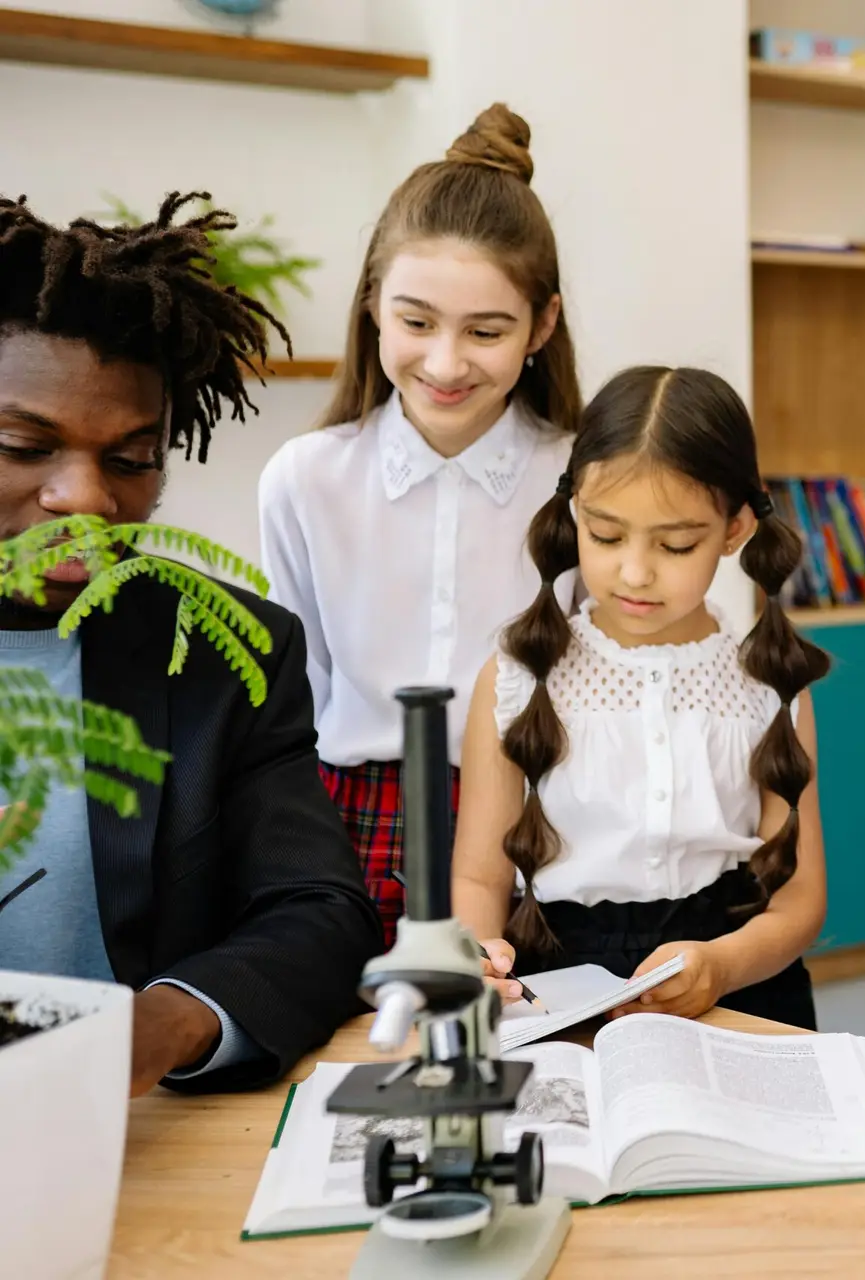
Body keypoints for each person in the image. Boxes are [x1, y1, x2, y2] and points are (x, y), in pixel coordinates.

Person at [0, 193, 382, 1094]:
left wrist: (166, 1022)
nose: (85, 499)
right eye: (24, 445)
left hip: (121, 1143)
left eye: (132, 460)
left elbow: (318, 910)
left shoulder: (226, 651)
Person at [258, 104, 581, 945]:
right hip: (350, 820)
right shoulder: (306, 479)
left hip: (540, 817)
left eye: (486, 331)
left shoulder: (585, 483)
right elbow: (305, 687)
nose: (444, 363)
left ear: (541, 327)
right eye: (416, 322)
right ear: (371, 306)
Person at [450, 366, 830, 1029]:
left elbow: (799, 906)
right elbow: (481, 880)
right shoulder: (515, 675)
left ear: (736, 527)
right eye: (605, 535)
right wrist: (480, 963)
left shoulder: (770, 681)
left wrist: (721, 966)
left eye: (676, 544)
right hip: (554, 978)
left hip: (734, 976)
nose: (634, 571)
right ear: (574, 512)